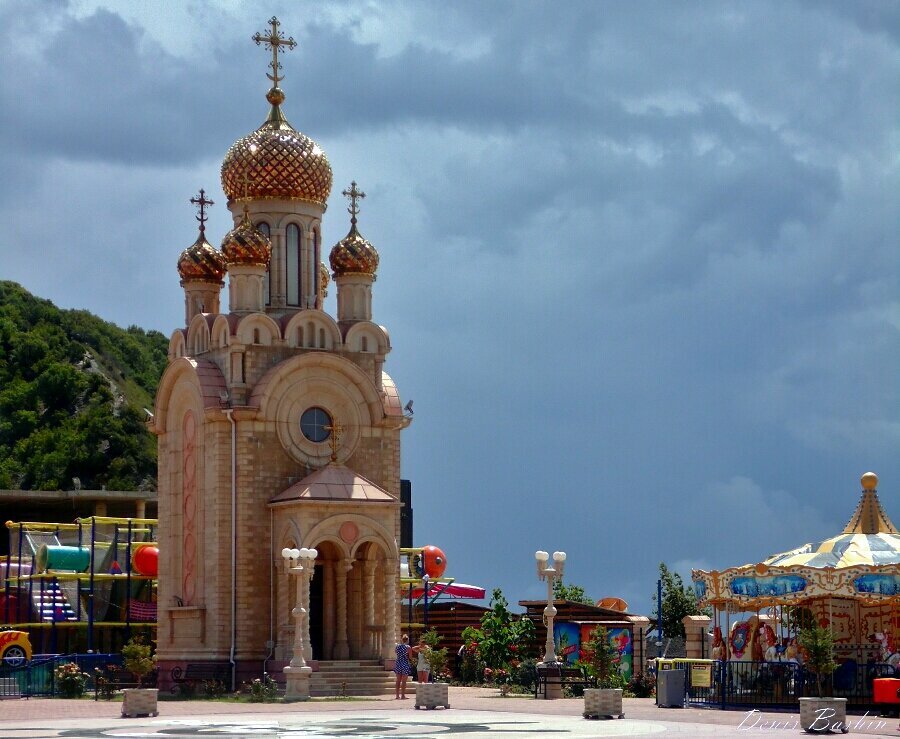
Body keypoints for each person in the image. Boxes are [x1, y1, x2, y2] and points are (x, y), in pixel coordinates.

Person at [393, 634, 413, 699]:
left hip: (398, 663)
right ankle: (403, 695)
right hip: (405, 663)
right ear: (407, 640)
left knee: (398, 680)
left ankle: (397, 695)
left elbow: (395, 652)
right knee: (404, 681)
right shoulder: (408, 647)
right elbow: (410, 657)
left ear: (402, 639)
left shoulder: (397, 646)